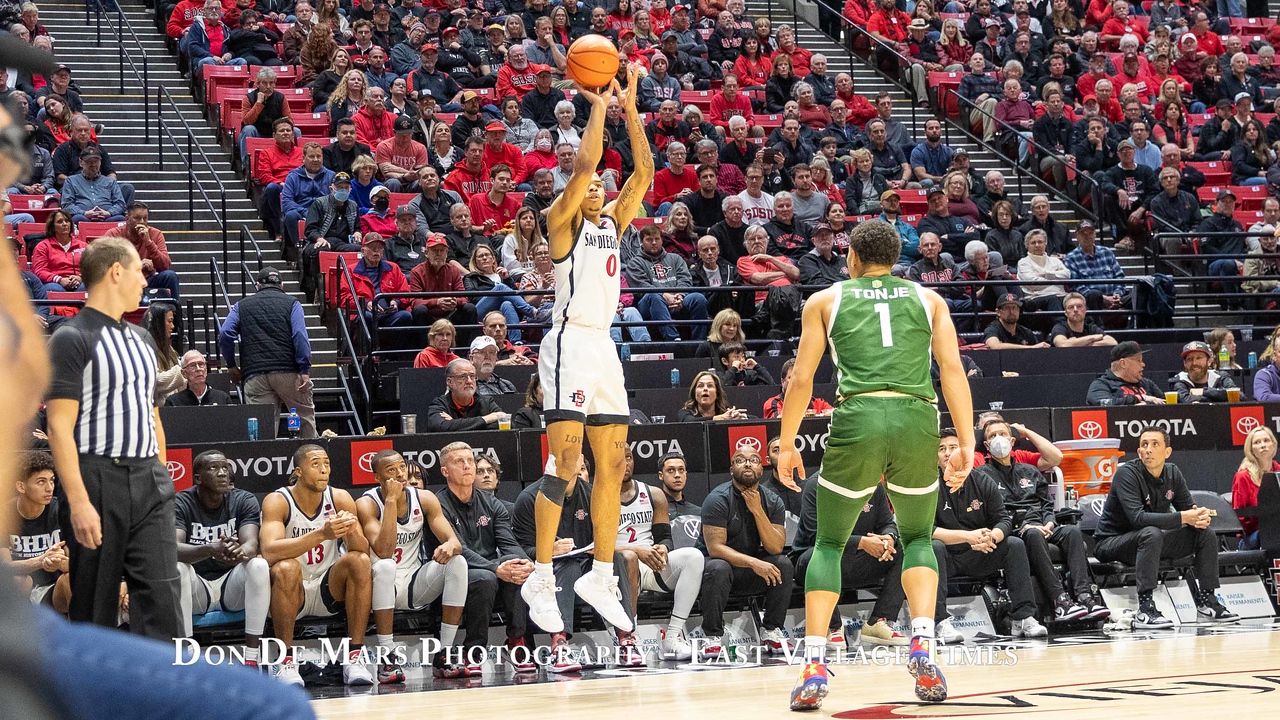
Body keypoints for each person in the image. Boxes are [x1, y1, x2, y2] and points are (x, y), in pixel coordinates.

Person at [778, 220, 974, 709]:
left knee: (828, 542)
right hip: (916, 418)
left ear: (851, 260)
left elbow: (801, 378)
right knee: (917, 539)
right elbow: (952, 371)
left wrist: (785, 444)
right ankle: (923, 648)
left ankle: (815, 665)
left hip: (858, 416)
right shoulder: (930, 300)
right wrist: (967, 440)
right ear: (898, 258)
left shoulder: (825, 300)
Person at [520, 65, 654, 637]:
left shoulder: (615, 224)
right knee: (566, 463)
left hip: (605, 348)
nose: (598, 187)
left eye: (603, 185)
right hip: (569, 341)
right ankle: (543, 575)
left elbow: (643, 172)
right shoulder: (560, 224)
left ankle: (601, 573)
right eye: (592, 185)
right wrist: (598, 107)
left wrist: (632, 106)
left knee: (612, 464)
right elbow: (583, 166)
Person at [45, 237, 182, 639]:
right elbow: (58, 426)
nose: (146, 278)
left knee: (163, 598)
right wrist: (80, 501)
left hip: (148, 480)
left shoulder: (141, 338)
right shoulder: (71, 337)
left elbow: (150, 409)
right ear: (115, 272)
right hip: (97, 478)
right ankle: (93, 700)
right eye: (140, 269)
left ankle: (162, 697)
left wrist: (161, 470)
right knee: (94, 603)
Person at [1094, 428, 1239, 627]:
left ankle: (1207, 603)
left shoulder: (1173, 472)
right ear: (1138, 452)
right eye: (1144, 445)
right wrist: (1183, 517)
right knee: (1151, 533)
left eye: (1155, 444)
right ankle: (1145, 609)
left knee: (1205, 534)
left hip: (1149, 542)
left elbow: (1188, 510)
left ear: (1167, 452)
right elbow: (1138, 518)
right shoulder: (1126, 473)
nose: (1148, 449)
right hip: (1112, 543)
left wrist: (1199, 518)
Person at [513, 456, 644, 671]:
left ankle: (626, 638)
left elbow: (605, 536)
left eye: (577, 457)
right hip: (550, 568)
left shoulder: (592, 493)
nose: (573, 459)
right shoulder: (529, 498)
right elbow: (520, 549)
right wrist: (547, 550)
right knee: (569, 566)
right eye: (567, 454)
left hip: (587, 561)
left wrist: (599, 546)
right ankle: (559, 644)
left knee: (617, 558)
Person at [259, 445, 374, 686]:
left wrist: (351, 531)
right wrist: (321, 534)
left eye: (327, 464)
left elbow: (363, 550)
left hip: (326, 588)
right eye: (315, 464)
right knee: (286, 567)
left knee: (360, 561)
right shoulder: (278, 500)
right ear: (298, 471)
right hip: (292, 590)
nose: (324, 470)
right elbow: (269, 551)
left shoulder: (340, 497)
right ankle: (285, 661)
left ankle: (354, 656)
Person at [974, 421, 1106, 621]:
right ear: (986, 445)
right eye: (992, 436)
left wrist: (1050, 523)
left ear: (1012, 441)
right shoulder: (981, 475)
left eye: (1002, 434)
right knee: (1033, 533)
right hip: (1014, 528)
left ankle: (1085, 596)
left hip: (1043, 525)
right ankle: (1059, 600)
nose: (998, 439)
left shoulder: (1030, 471)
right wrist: (1027, 526)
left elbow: (1046, 504)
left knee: (1072, 532)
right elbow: (993, 514)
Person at [356, 449, 469, 682]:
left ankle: (445, 652)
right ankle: (387, 656)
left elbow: (455, 542)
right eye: (391, 470)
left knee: (457, 562)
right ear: (377, 478)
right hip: (378, 585)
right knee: (386, 566)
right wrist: (390, 501)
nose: (400, 474)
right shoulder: (367, 504)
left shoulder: (424, 498)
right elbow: (384, 550)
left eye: (401, 467)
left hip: (413, 583)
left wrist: (449, 546)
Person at [434, 442, 537, 674]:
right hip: (453, 571)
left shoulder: (492, 503)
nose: (467, 466)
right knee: (486, 578)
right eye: (459, 462)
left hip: (490, 568)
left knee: (515, 571)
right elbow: (458, 547)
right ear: (445, 471)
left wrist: (524, 562)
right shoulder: (437, 504)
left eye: (470, 461)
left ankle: (516, 642)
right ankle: (474, 650)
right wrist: (495, 568)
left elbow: (509, 543)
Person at [174, 450, 269, 666]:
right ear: (198, 478)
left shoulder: (244, 499)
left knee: (258, 565)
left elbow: (251, 544)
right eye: (214, 468)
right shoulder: (181, 502)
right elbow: (173, 548)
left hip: (230, 588)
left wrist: (238, 552)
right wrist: (209, 549)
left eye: (226, 468)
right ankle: (187, 658)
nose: (222, 473)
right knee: (178, 568)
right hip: (198, 588)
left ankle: (252, 659)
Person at [698, 446, 794, 658]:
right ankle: (712, 636)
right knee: (718, 567)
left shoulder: (772, 500)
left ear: (762, 469)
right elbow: (715, 549)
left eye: (754, 460)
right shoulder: (718, 499)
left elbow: (775, 547)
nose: (748, 463)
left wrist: (757, 510)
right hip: (715, 571)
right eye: (740, 460)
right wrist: (754, 563)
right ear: (732, 469)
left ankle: (770, 630)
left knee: (783, 564)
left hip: (746, 571)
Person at [614, 447, 703, 660]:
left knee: (694, 557)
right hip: (614, 568)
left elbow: (664, 537)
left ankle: (672, 637)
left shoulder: (653, 494)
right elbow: (591, 546)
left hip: (649, 564)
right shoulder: (597, 495)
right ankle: (629, 636)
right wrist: (636, 550)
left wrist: (663, 548)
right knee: (629, 558)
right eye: (619, 458)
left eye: (629, 457)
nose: (625, 463)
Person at [217, 268, 316, 437]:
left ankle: (262, 462)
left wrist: (232, 365)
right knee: (305, 419)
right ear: (282, 285)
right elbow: (300, 335)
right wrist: (304, 369)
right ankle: (312, 458)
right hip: (288, 372)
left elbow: (225, 333)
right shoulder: (292, 303)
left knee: (261, 432)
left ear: (258, 285)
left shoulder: (241, 306)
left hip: (255, 375)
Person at [4, 451, 69, 614]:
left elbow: (76, 565)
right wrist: (40, 561)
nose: (49, 488)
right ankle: (15, 637)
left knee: (69, 579)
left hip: (54, 591)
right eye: (41, 482)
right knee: (18, 580)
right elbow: (4, 568)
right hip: (19, 590)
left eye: (52, 481)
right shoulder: (5, 514)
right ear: (21, 486)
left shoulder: (61, 510)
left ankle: (80, 635)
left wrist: (58, 562)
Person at [101, 202, 181, 300]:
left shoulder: (155, 234)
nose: (142, 222)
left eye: (145, 218)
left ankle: (175, 313)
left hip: (147, 280)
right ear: (127, 218)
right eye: (137, 218)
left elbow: (165, 266)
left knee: (170, 275)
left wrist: (149, 242)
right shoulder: (113, 234)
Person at [1232, 426, 1277, 551]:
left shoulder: (1279, 471)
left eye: (1266, 440)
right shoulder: (1243, 477)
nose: (1263, 445)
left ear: (1273, 445)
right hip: (1252, 537)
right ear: (1251, 449)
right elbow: (1239, 517)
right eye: (1257, 442)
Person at [1087, 341, 1166, 406]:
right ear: (1123, 363)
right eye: (1139, 360)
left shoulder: (1146, 383)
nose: (1143, 364)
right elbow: (1104, 404)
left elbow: (1165, 401)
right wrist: (1140, 398)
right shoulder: (1102, 384)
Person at [764, 357, 833, 419]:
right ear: (783, 381)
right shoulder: (773, 403)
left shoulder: (819, 403)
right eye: (791, 378)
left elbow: (836, 416)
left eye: (800, 378)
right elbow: (777, 422)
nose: (796, 382)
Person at [1171, 340, 1238, 403]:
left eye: (1199, 358)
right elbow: (1186, 401)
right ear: (1185, 364)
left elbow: (1238, 396)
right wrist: (1219, 398)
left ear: (1209, 361)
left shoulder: (1221, 377)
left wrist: (1204, 392)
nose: (1194, 363)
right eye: (1189, 359)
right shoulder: (1179, 381)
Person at [1050, 292, 1117, 347]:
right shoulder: (1059, 328)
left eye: (1079, 306)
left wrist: (1076, 343)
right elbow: (1062, 345)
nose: (1075, 310)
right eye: (1071, 307)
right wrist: (1092, 338)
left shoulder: (1091, 327)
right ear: (1066, 313)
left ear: (1085, 310)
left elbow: (1112, 342)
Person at [165, 350, 231, 406]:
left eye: (201, 364)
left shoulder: (223, 399)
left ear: (206, 369)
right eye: (192, 365)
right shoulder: (173, 403)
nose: (198, 369)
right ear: (184, 373)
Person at [984, 293, 1049, 349]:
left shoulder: (1026, 332)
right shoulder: (992, 329)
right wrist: (1031, 347)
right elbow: (995, 346)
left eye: (1014, 308)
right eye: (1007, 308)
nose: (1012, 312)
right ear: (998, 312)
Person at [676, 370, 747, 421]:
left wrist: (739, 417)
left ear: (717, 392)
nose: (705, 389)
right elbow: (691, 422)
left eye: (710, 386)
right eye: (701, 386)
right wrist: (720, 419)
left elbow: (754, 419)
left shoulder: (725, 413)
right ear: (694, 392)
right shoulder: (685, 413)